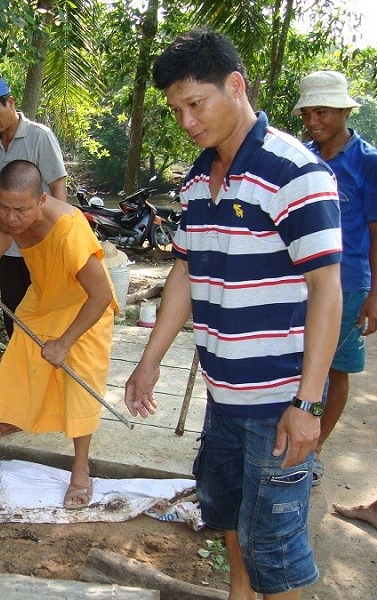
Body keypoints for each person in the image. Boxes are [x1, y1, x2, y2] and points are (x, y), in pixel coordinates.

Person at [124, 30, 342, 599]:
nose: (187, 120)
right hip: (224, 397)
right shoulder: (197, 182)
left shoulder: (296, 172)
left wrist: (308, 404)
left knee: (276, 549)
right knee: (230, 521)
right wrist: (149, 362)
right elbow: (184, 274)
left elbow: (326, 288)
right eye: (176, 110)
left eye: (196, 103)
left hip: (277, 403)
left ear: (236, 86)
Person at [0, 159, 118, 509]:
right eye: (3, 208)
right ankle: (16, 417)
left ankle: (81, 468)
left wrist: (65, 342)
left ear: (41, 200)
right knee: (21, 359)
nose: (11, 217)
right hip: (45, 295)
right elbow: (4, 231)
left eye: (20, 209)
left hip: (84, 305)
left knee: (78, 382)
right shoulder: (13, 214)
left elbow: (100, 295)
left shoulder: (69, 232)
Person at [291, 70, 377, 485]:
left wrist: (375, 294)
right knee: (301, 362)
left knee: (334, 369)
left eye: (321, 112)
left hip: (349, 281)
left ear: (344, 110)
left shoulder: (368, 162)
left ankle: (317, 447)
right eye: (307, 113)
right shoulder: (303, 157)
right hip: (302, 280)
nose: (313, 121)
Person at [0, 76, 68, 338]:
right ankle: (21, 372)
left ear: (10, 103)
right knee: (13, 313)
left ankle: (45, 374)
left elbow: (58, 187)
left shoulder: (39, 137)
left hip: (42, 243)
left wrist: (59, 239)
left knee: (46, 315)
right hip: (9, 246)